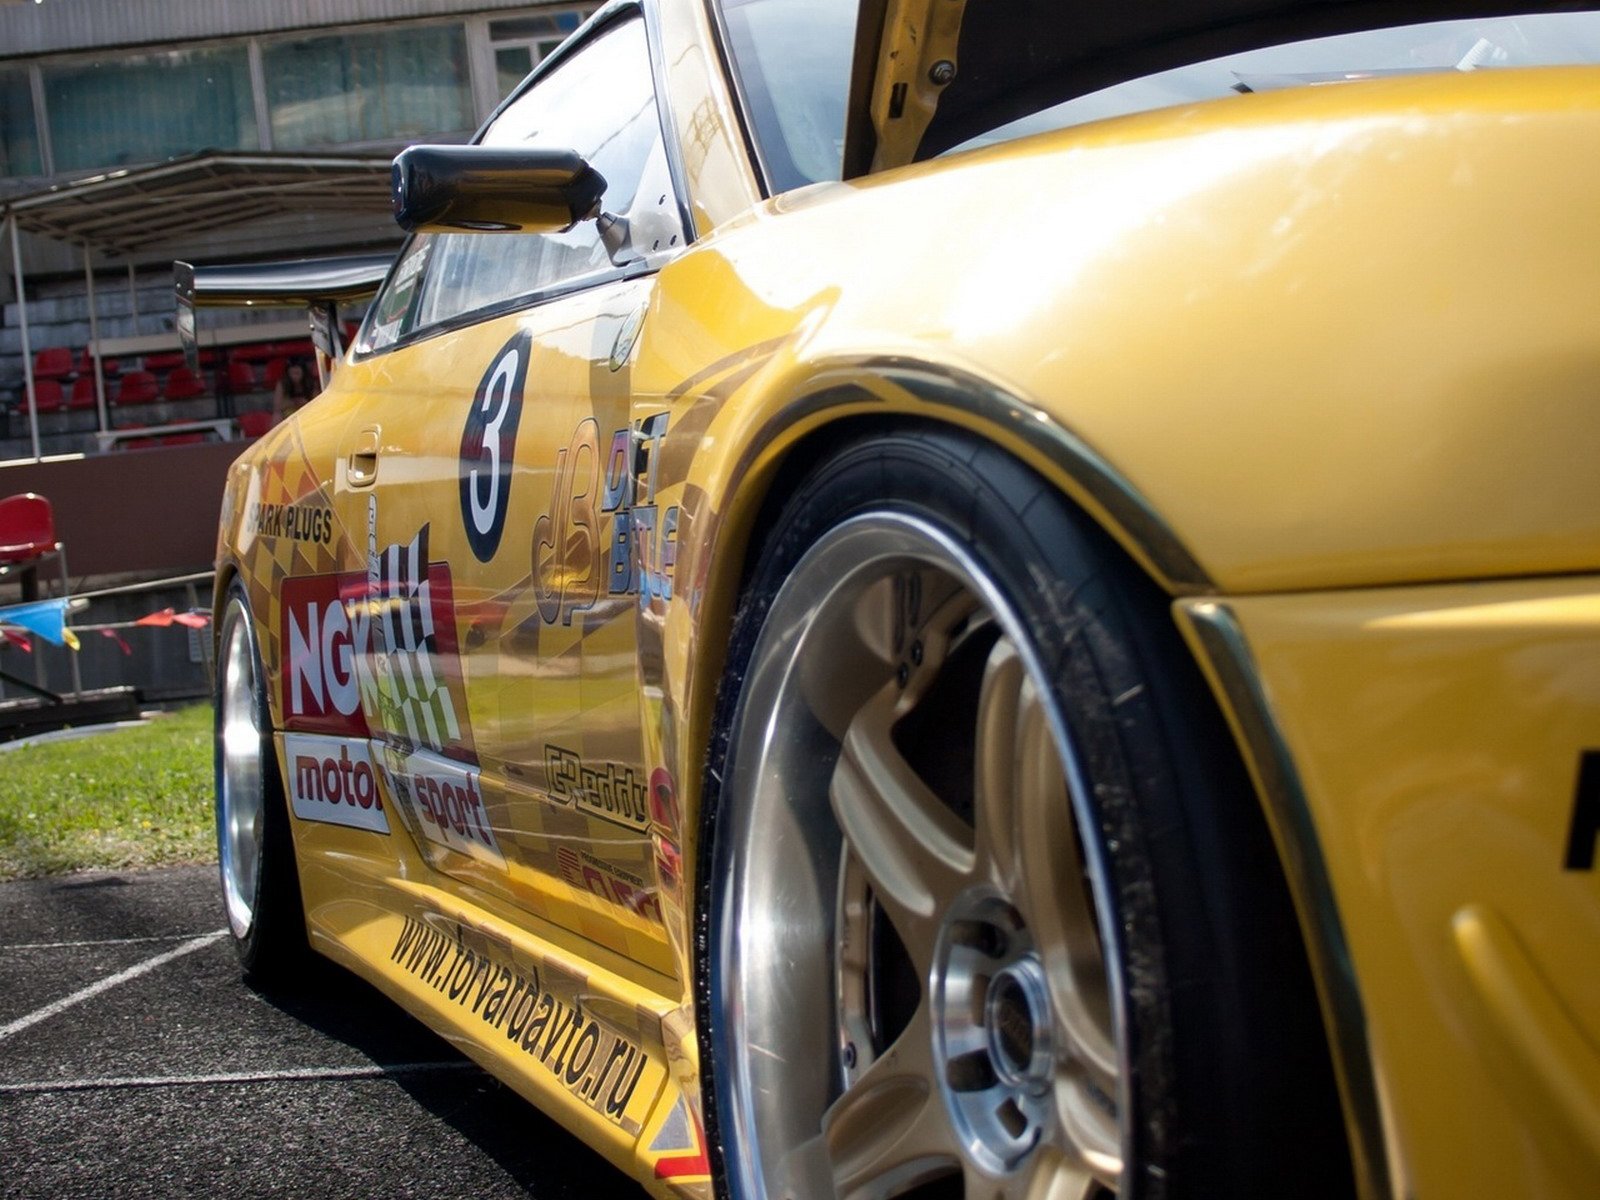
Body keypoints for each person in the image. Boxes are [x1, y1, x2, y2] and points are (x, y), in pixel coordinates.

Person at [272, 359, 316, 425]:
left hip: (307, 412)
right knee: (277, 415)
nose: (295, 377)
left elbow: (317, 401)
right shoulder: (282, 384)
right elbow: (277, 406)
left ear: (303, 373)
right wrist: (293, 402)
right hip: (289, 414)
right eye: (292, 373)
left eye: (297, 373)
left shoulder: (311, 383)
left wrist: (306, 402)